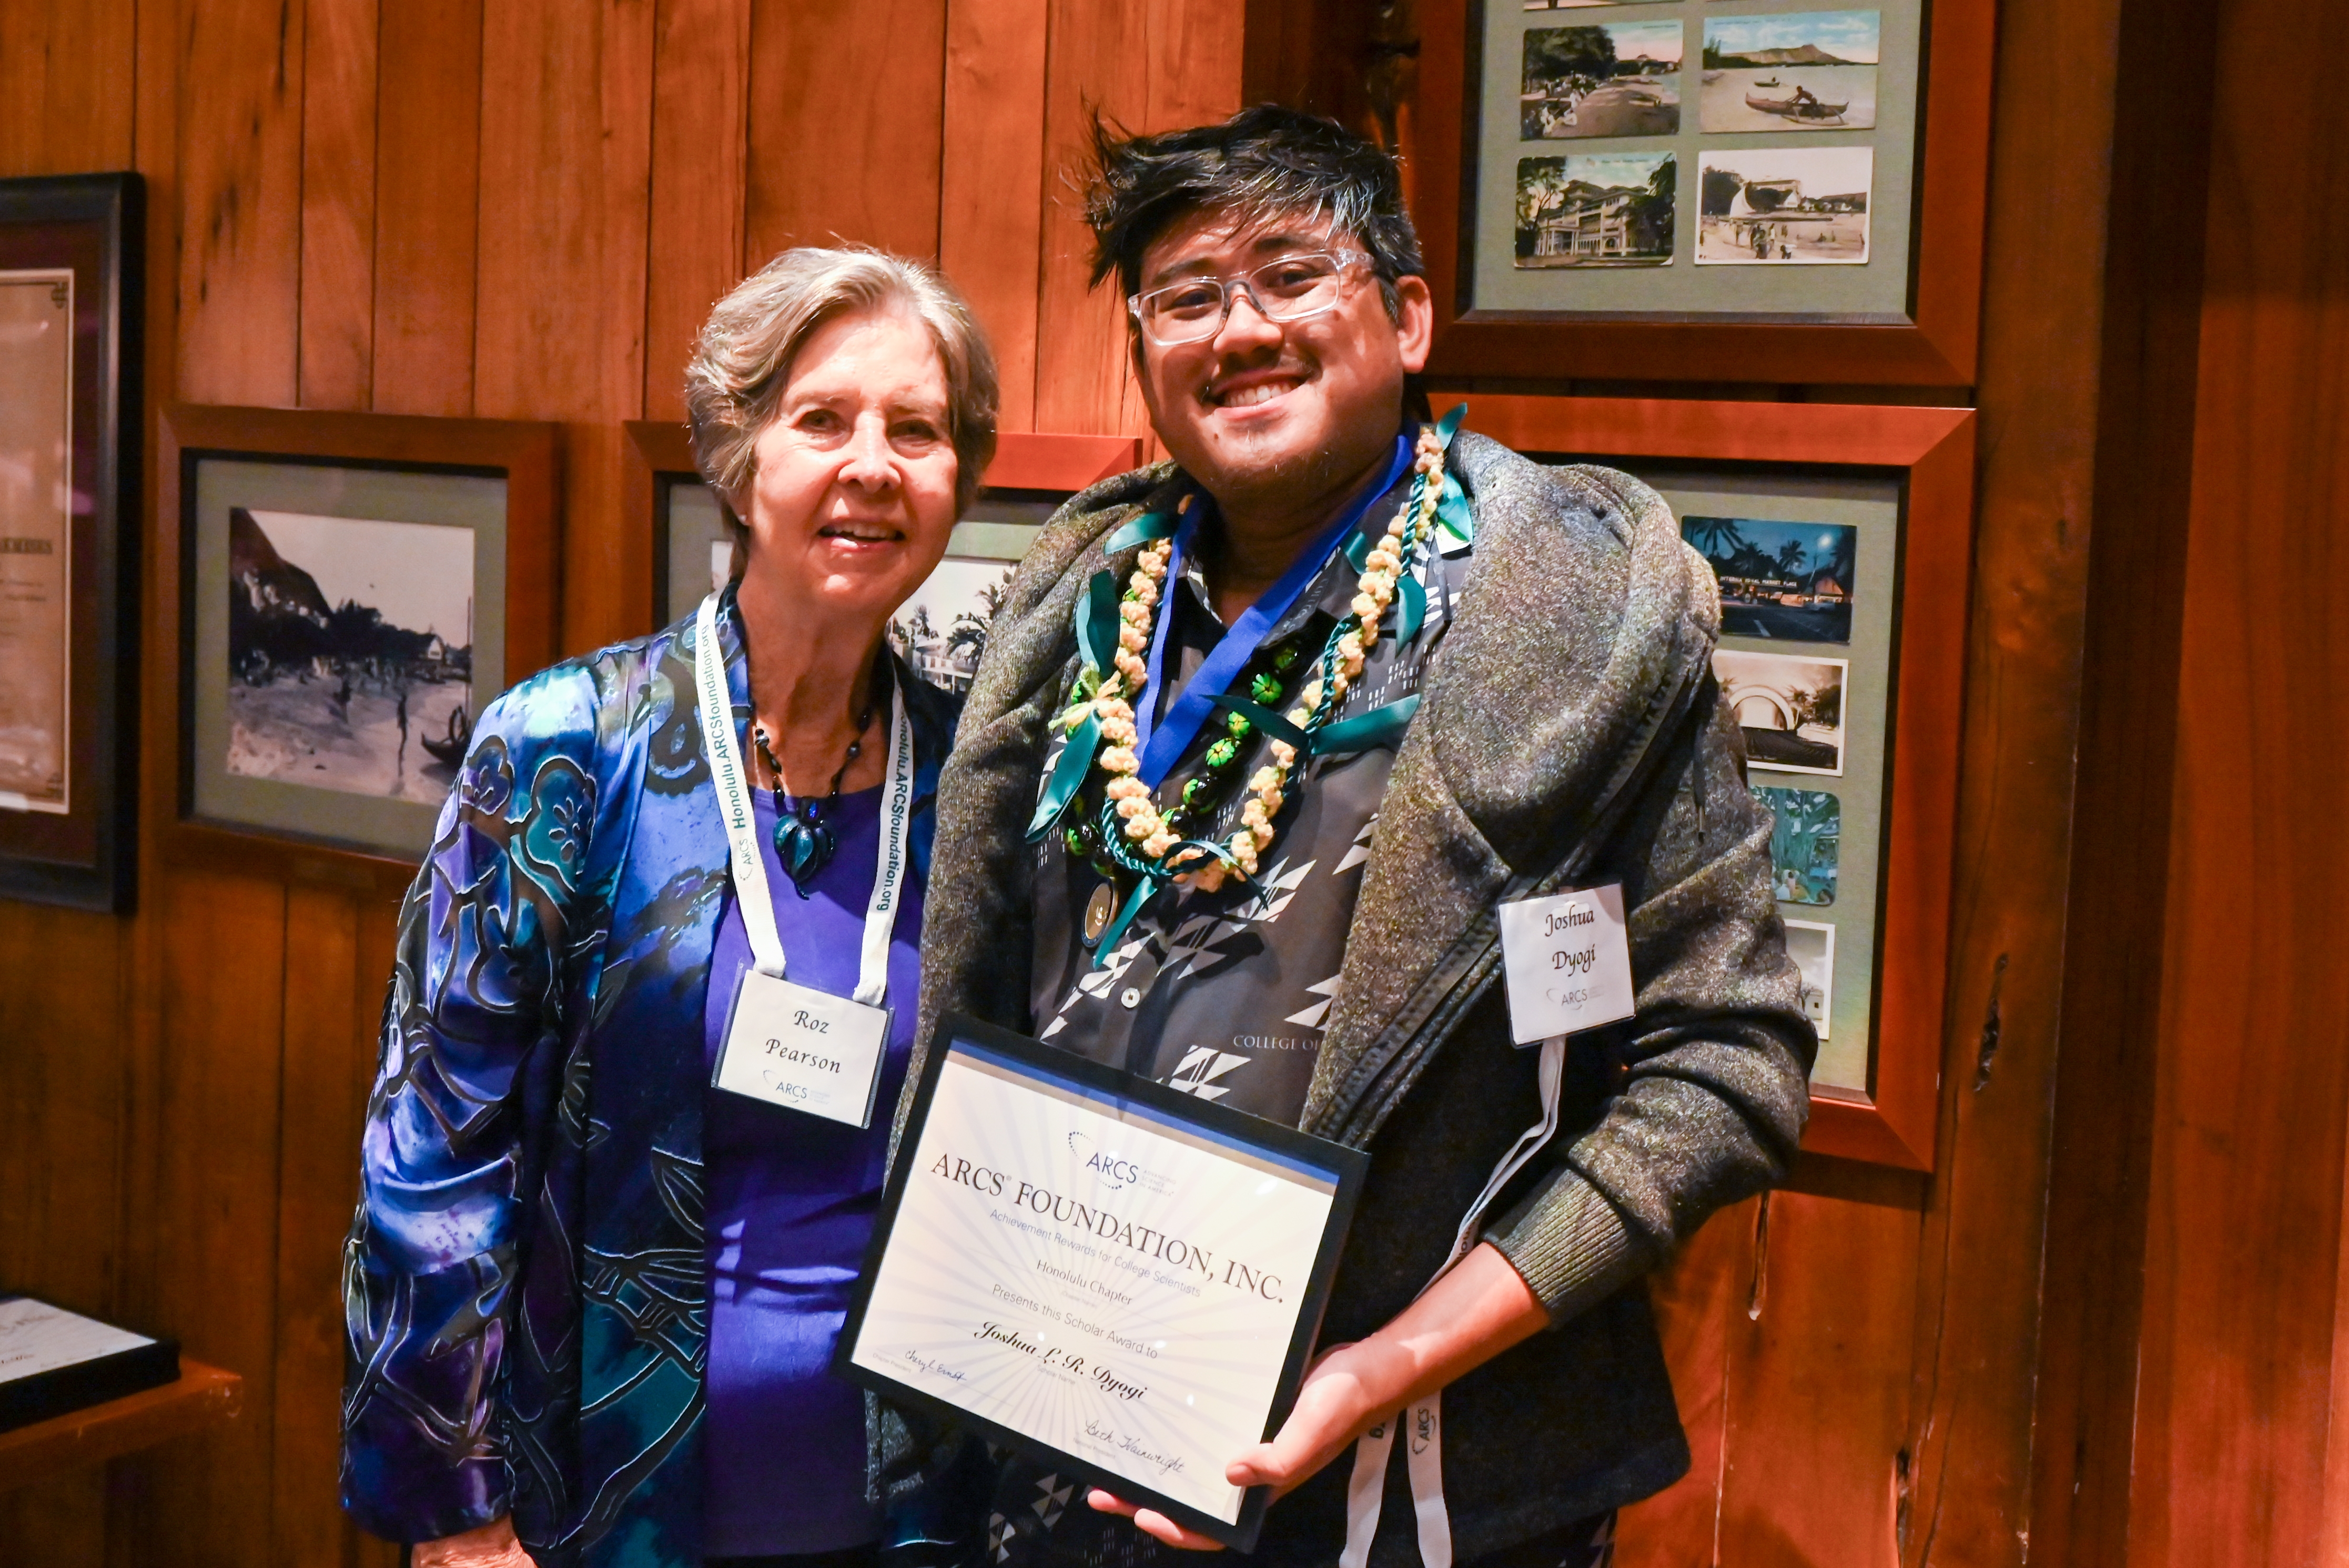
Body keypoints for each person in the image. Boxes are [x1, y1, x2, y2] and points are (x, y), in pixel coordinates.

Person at [914, 106, 1814, 1568]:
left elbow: (1727, 1064)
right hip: (1057, 1420)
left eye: (1289, 275)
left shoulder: (1586, 620)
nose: (1241, 327)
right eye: (1189, 296)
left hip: (1422, 1480)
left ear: (1406, 316)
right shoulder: (1066, 607)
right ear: (1142, 351)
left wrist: (1382, 1362)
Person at [341, 247, 999, 1568]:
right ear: (743, 457)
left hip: (913, 1509)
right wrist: (458, 1520)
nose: (873, 464)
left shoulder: (977, 774)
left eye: (916, 430)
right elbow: (433, 1159)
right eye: (823, 420)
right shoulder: (568, 748)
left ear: (956, 478)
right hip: (601, 1502)